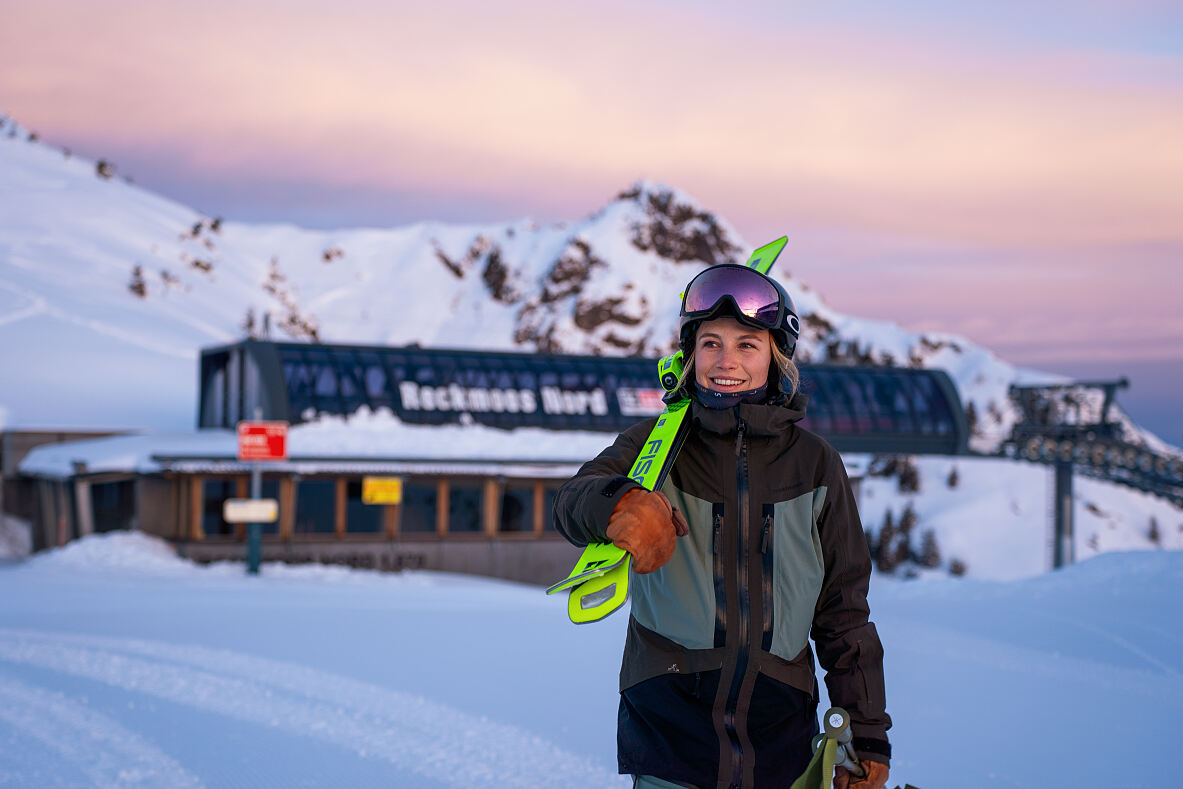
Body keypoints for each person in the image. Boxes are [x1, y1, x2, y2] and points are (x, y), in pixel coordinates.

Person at [553, 263, 891, 789]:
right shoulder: (657, 446)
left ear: (776, 359)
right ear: (691, 356)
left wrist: (865, 733)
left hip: (780, 733)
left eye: (747, 346)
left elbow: (843, 612)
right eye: (710, 343)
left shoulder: (815, 464)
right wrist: (618, 505)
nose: (725, 361)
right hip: (669, 727)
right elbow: (572, 500)